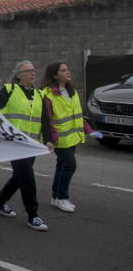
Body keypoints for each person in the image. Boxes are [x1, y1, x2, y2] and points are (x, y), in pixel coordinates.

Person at [0, 61, 52, 230]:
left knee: (20, 177)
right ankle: (33, 215)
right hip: (14, 144)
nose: (33, 73)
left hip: (31, 144)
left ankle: (0, 200)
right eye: (28, 71)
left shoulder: (40, 95)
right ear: (19, 75)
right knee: (27, 178)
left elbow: (45, 120)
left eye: (33, 70)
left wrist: (48, 139)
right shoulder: (9, 90)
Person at [41, 61, 93, 213]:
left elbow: (77, 114)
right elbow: (47, 119)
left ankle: (56, 196)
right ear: (55, 75)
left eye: (67, 69)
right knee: (70, 165)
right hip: (60, 138)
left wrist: (88, 130)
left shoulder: (71, 90)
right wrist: (49, 138)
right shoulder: (48, 94)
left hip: (73, 137)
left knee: (62, 165)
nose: (68, 72)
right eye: (63, 71)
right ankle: (62, 198)